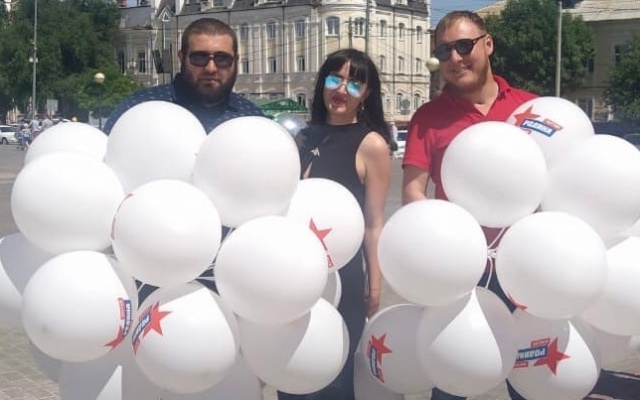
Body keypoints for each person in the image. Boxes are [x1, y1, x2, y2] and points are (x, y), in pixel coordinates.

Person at [401, 10, 536, 400]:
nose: (455, 58)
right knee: (453, 376)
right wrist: (442, 243)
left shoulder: (531, 109)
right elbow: (413, 192)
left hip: (529, 264)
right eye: (444, 52)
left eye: (464, 46)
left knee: (533, 377)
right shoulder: (428, 118)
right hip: (461, 268)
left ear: (487, 44)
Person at [282, 49, 392, 400]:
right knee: (290, 372)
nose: (342, 90)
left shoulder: (372, 145)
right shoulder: (302, 138)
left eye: (354, 83)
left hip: (344, 277)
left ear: (367, 94)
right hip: (294, 274)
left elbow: (374, 222)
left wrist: (375, 282)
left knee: (335, 378)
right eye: (334, 79)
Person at [103, 17, 263, 134]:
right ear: (181, 58)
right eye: (199, 57)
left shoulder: (252, 118)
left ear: (236, 60)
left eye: (222, 58)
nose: (211, 68)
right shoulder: (139, 110)